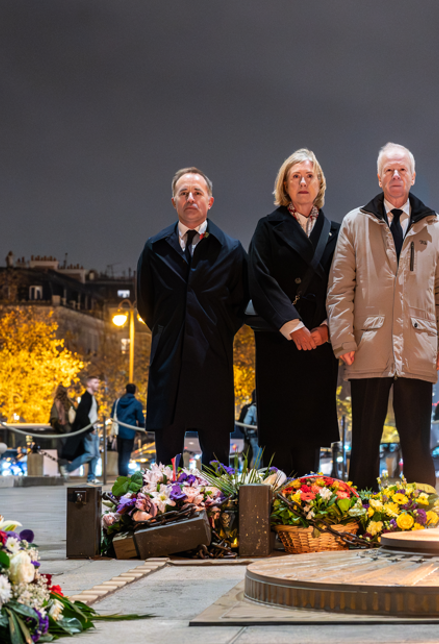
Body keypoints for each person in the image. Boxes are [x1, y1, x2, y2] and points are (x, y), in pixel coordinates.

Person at [327, 143, 439, 491]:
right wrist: (342, 339)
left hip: (418, 346)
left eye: (402, 169)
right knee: (364, 443)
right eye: (389, 170)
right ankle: (360, 510)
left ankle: (423, 509)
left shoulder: (437, 226)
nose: (396, 175)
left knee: (417, 442)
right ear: (379, 177)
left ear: (413, 176)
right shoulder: (354, 223)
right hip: (367, 345)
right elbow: (340, 287)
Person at [137, 167, 249, 467]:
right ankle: (165, 501)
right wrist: (169, 331)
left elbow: (239, 305)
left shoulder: (231, 250)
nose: (190, 198)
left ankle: (218, 501)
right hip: (169, 362)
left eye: (197, 193)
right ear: (174, 201)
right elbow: (146, 305)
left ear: (209, 201)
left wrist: (215, 333)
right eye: (183, 193)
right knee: (166, 465)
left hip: (212, 361)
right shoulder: (154, 249)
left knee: (217, 463)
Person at [248, 149, 341, 476]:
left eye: (309, 176)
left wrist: (327, 328)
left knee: (310, 440)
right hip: (280, 341)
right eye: (296, 176)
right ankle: (274, 504)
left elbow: (347, 285)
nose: (303, 182)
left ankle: (307, 502)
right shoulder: (267, 227)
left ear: (319, 184)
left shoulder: (337, 232)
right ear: (285, 185)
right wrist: (293, 325)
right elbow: (259, 279)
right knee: (278, 440)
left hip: (319, 342)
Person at [61, 376, 101, 486]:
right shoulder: (86, 397)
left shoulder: (91, 397)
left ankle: (91, 478)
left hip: (92, 429)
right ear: (88, 384)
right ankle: (67, 468)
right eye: (95, 382)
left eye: (98, 382)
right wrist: (91, 429)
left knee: (95, 455)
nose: (97, 385)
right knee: (90, 453)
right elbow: (82, 415)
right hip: (89, 430)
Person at [111, 383, 144, 476]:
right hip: (130, 432)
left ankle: (121, 475)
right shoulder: (136, 403)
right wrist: (140, 429)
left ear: (125, 390)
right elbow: (140, 419)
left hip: (119, 431)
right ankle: (124, 476)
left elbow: (112, 415)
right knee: (126, 455)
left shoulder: (117, 401)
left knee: (120, 454)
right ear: (135, 391)